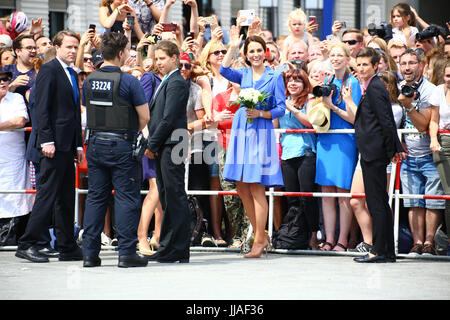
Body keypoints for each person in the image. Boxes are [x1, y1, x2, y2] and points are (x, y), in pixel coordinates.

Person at [80, 31, 150, 268]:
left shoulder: (90, 79)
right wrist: (128, 130)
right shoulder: (129, 81)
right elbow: (145, 116)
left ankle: (90, 254)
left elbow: (86, 109)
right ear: (121, 53)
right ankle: (127, 253)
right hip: (122, 144)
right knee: (126, 198)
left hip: (95, 143)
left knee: (96, 198)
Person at [16, 30, 84, 263]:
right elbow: (41, 109)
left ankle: (66, 245)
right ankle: (28, 243)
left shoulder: (71, 73)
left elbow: (73, 112)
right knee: (47, 195)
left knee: (66, 197)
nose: (73, 51)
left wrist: (77, 144)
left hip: (67, 145)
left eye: (76, 47)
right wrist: (46, 140)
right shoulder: (48, 70)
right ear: (56, 47)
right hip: (51, 145)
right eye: (68, 47)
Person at [220, 29, 286, 258]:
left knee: (256, 186)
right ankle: (260, 234)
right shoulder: (244, 74)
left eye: (259, 50)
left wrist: (261, 114)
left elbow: (281, 107)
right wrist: (232, 45)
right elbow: (222, 69)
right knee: (240, 186)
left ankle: (259, 239)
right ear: (246, 54)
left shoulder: (275, 76)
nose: (256, 54)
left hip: (260, 129)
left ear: (265, 52)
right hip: (241, 129)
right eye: (251, 51)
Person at [348, 48, 405, 263]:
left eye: (365, 65)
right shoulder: (370, 86)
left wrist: (394, 149)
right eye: (359, 64)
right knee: (379, 202)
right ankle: (386, 251)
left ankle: (379, 251)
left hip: (375, 153)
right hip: (372, 151)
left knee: (377, 203)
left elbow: (386, 120)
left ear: (375, 66)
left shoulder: (375, 87)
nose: (361, 68)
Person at [315, 41, 362, 252]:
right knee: (326, 192)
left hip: (345, 139)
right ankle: (329, 238)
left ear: (347, 58)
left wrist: (332, 106)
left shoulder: (354, 83)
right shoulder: (327, 80)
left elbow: (355, 118)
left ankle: (342, 240)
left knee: (343, 192)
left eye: (339, 55)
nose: (335, 59)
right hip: (326, 138)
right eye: (332, 55)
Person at [146, 40, 191, 263]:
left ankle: (177, 247)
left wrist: (151, 145)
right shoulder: (166, 81)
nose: (158, 63)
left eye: (162, 58)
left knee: (174, 196)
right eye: (156, 58)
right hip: (166, 145)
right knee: (166, 196)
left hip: (171, 145)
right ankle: (170, 246)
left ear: (175, 58)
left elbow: (168, 118)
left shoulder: (176, 82)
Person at [398, 49, 445, 256]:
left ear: (421, 65)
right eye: (403, 63)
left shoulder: (430, 90)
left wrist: (408, 106)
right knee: (413, 201)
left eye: (411, 63)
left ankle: (429, 242)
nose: (407, 67)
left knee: (432, 201)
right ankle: (417, 243)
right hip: (408, 155)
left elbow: (423, 123)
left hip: (429, 153)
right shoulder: (398, 87)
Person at [273, 68, 319, 249]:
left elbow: (309, 122)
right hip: (286, 154)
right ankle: (296, 234)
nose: (293, 83)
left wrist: (291, 108)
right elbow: (275, 125)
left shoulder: (309, 100)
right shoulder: (281, 102)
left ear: (304, 83)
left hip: (306, 152)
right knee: (292, 199)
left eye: (297, 80)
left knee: (307, 197)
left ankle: (314, 234)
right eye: (289, 80)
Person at [0, 68, 33, 241]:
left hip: (13, 159)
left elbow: (20, 120)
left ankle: (13, 238)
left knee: (16, 198)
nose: (2, 82)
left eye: (5, 79)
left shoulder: (16, 98)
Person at [429, 59, 450, 255]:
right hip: (444, 141)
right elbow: (434, 119)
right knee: (449, 193)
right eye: (447, 76)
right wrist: (433, 139)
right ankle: (446, 237)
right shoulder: (438, 91)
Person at [4, 34, 37, 102]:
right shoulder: (6, 71)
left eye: (35, 48)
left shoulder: (41, 70)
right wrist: (13, 85)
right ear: (18, 51)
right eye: (29, 48)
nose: (33, 51)